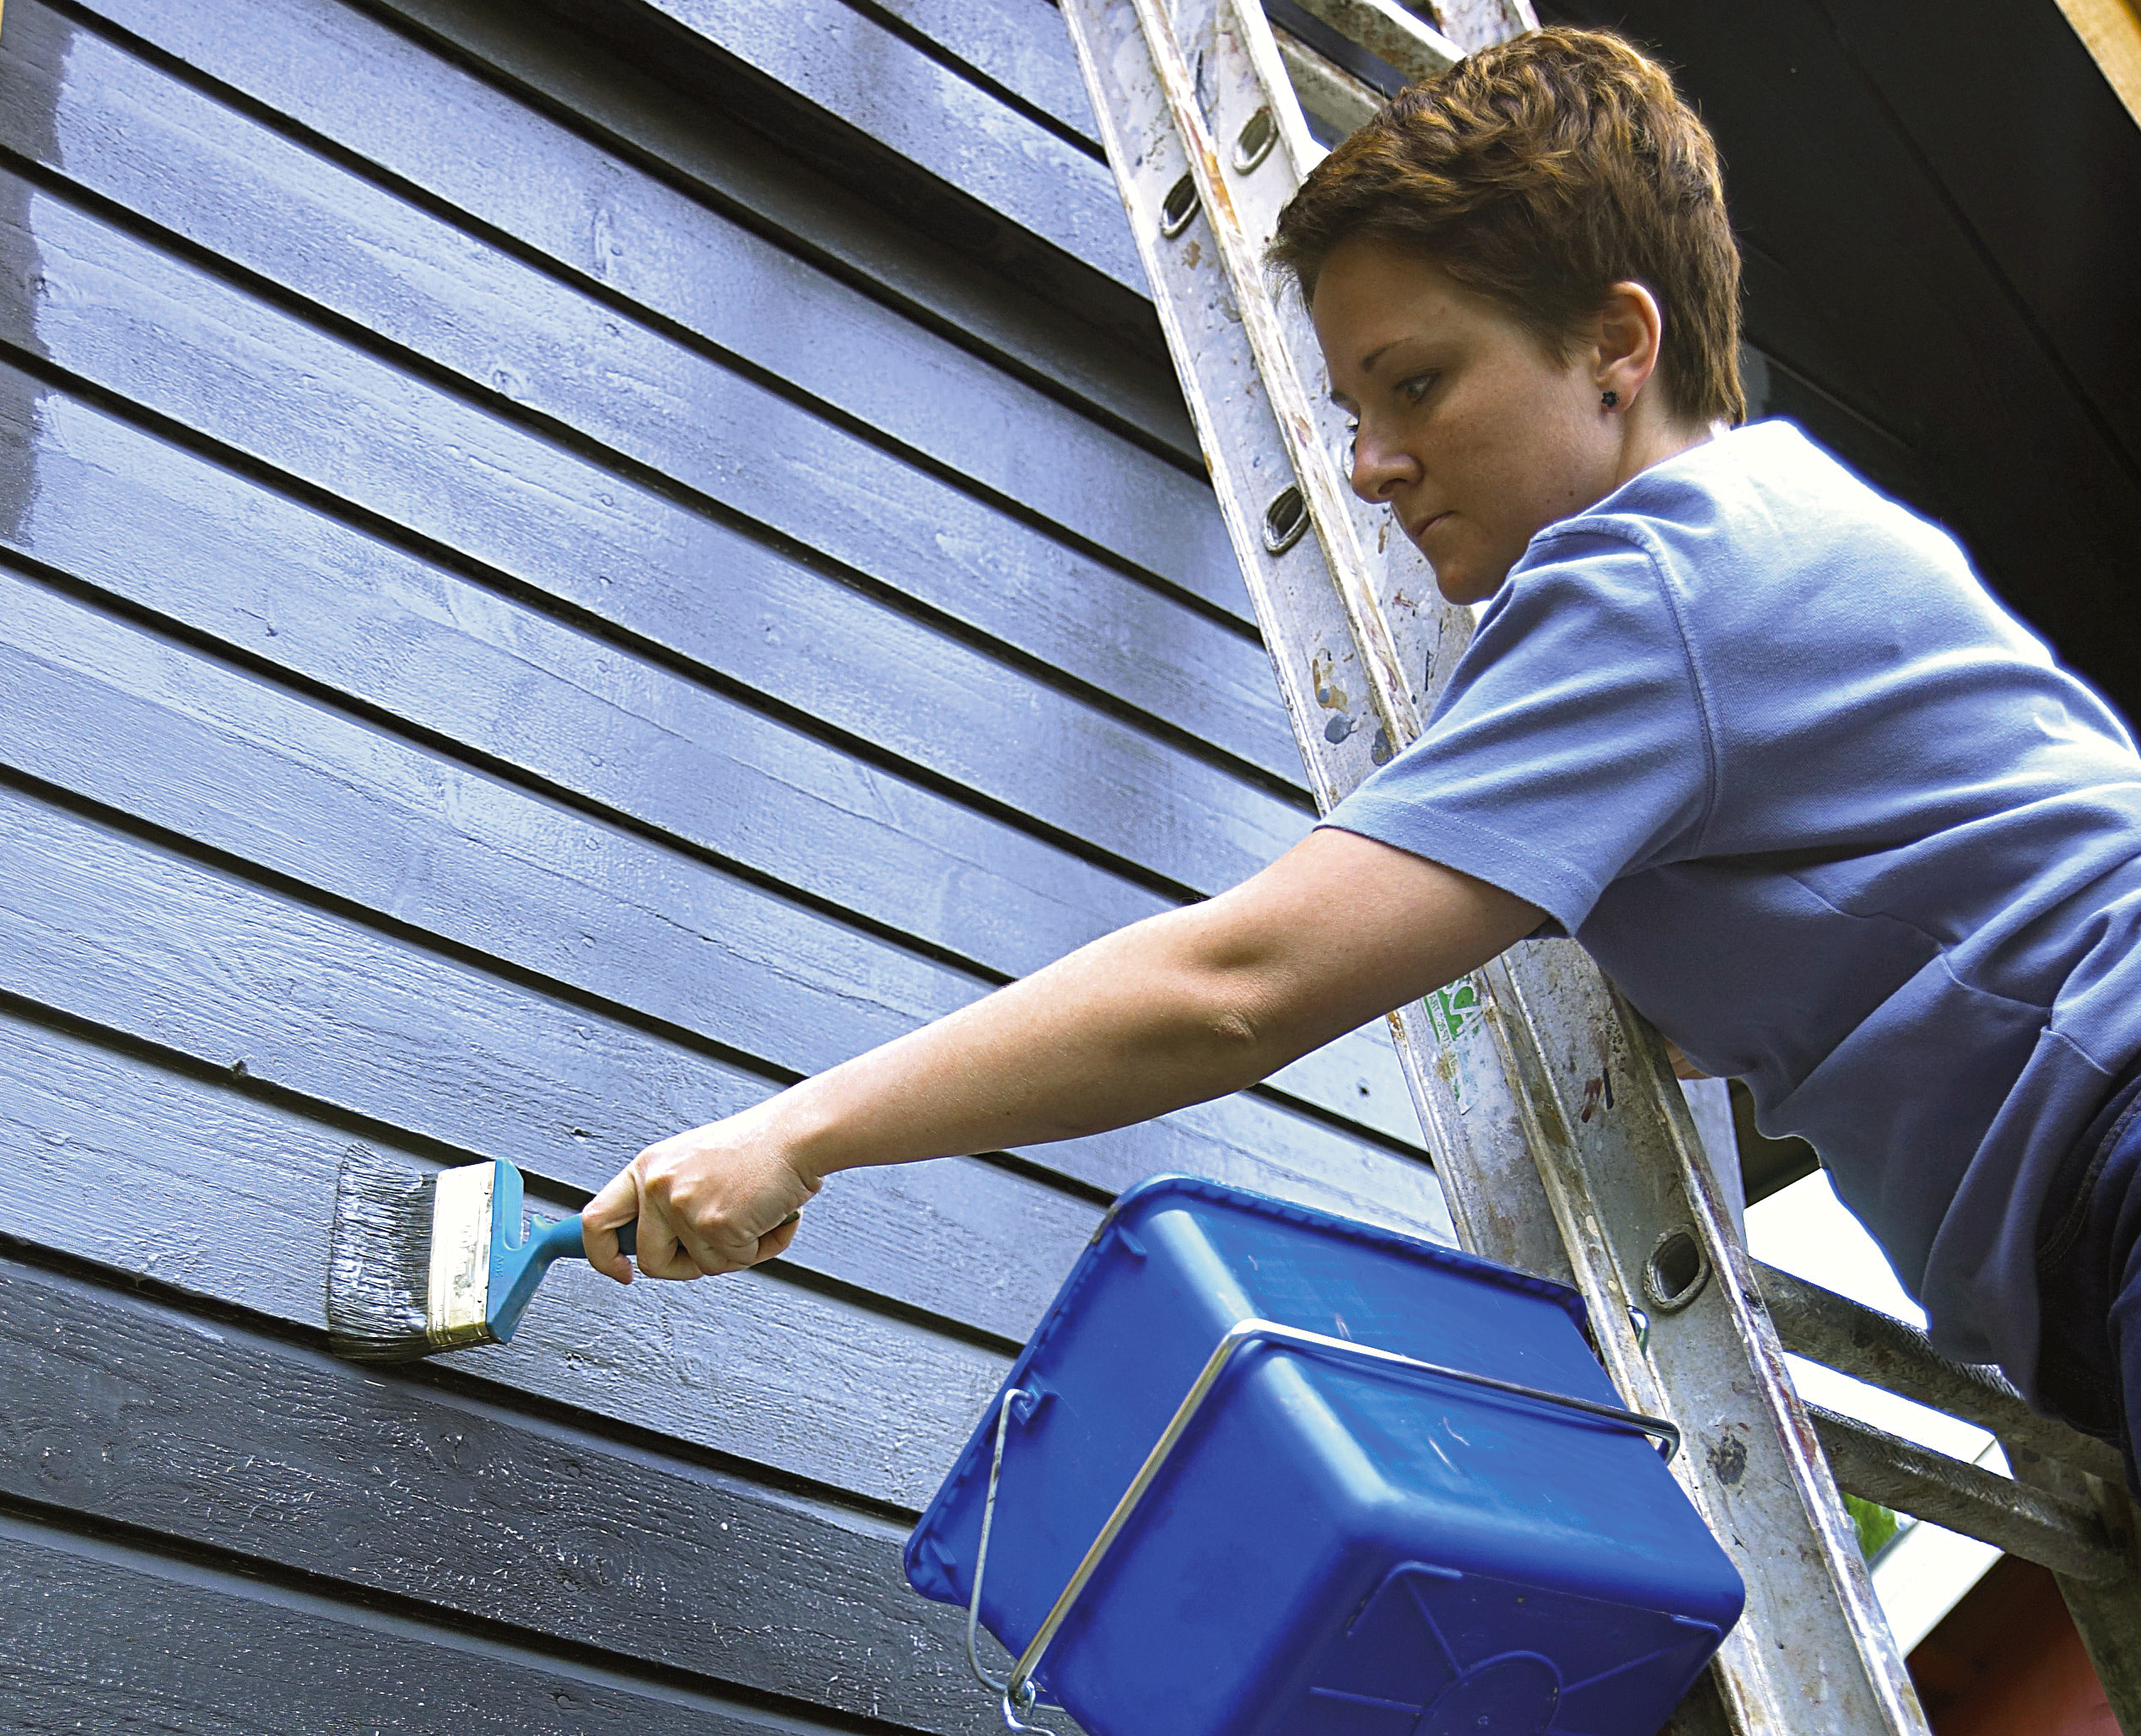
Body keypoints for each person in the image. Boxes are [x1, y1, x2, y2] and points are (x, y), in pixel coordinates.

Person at [583, 28, 2141, 1478]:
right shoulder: (1776, 541)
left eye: (1415, 384)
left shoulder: (1651, 585)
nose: (1369, 464)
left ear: (1615, 344)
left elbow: (1234, 988)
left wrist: (791, 1131)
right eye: (1346, 406)